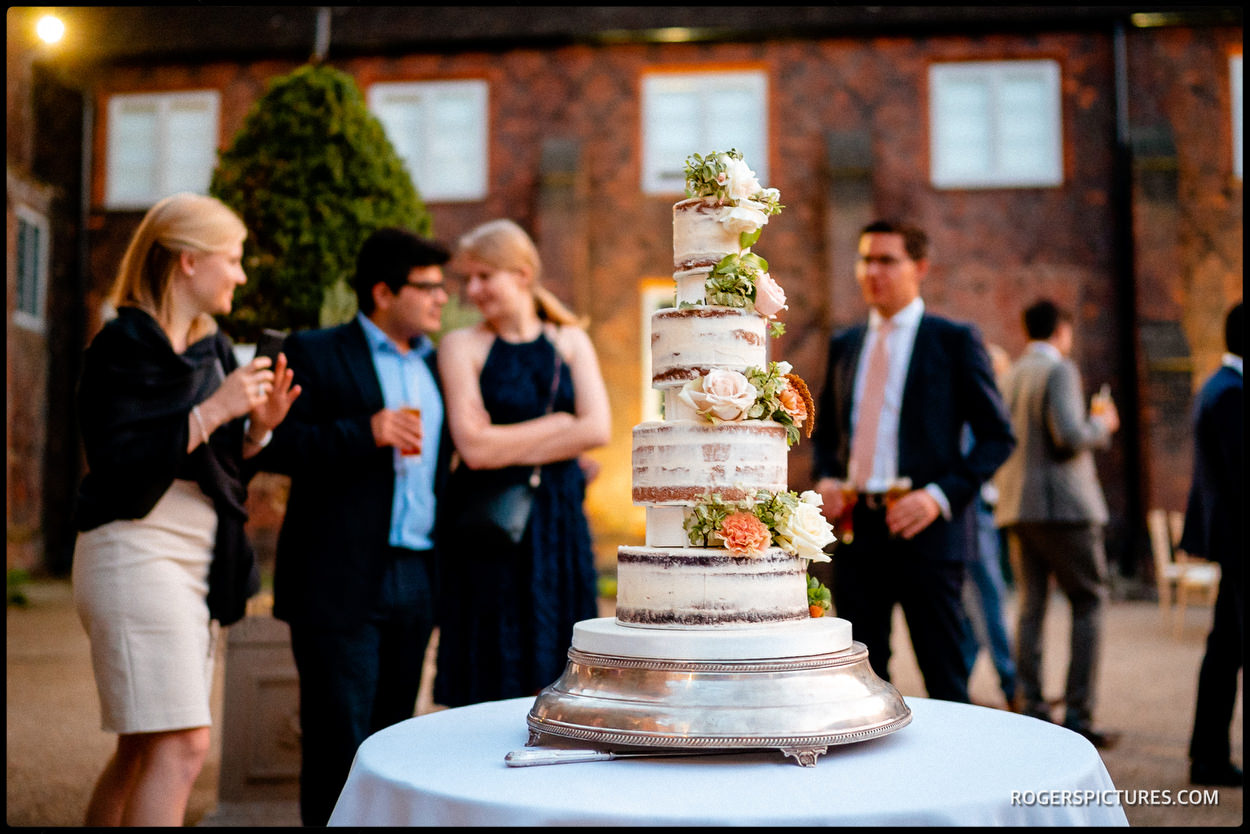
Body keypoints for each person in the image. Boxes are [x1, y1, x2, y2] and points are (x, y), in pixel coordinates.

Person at [71, 192, 299, 826]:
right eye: (233, 258)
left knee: (143, 746)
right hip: (134, 552)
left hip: (199, 557)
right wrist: (215, 409)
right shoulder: (121, 345)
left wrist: (258, 429)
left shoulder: (214, 349)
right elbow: (119, 459)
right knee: (183, 744)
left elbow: (223, 469)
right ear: (189, 262)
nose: (242, 273)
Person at [254, 227, 453, 825]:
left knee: (394, 742)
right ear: (383, 291)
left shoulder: (442, 366)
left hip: (418, 574)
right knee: (338, 743)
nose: (442, 299)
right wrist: (366, 432)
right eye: (428, 288)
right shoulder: (313, 351)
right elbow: (273, 445)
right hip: (337, 580)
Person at [811, 219, 1015, 704]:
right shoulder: (846, 344)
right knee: (861, 682)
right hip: (856, 531)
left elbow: (997, 437)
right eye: (865, 260)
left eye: (887, 260)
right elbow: (826, 435)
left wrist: (939, 496)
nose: (872, 271)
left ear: (919, 267)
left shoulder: (953, 340)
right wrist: (826, 478)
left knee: (945, 680)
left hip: (929, 533)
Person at [433, 218, 611, 707]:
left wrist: (505, 441)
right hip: (488, 530)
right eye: (467, 278)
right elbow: (473, 448)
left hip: (559, 528)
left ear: (523, 274)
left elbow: (598, 429)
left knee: (563, 682)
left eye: (484, 276)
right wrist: (557, 429)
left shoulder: (571, 341)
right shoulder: (461, 345)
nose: (472, 290)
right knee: (487, 676)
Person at [992, 298, 1120, 748]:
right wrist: (1102, 425)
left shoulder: (1008, 375)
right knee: (1088, 601)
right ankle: (1080, 714)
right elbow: (1069, 437)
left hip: (1017, 506)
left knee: (1031, 607)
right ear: (1061, 330)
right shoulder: (1060, 370)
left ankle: (1032, 709)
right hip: (1065, 509)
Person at [1181, 301, 1243, 787]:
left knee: (1225, 650)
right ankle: (1208, 757)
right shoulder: (1230, 394)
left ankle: (1208, 756)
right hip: (1240, 540)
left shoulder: (1221, 387)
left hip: (1231, 541)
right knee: (1226, 651)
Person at [958, 344, 1018, 709]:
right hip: (974, 514)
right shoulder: (971, 411)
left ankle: (956, 685)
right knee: (991, 599)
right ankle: (1013, 686)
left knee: (975, 610)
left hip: (981, 512)